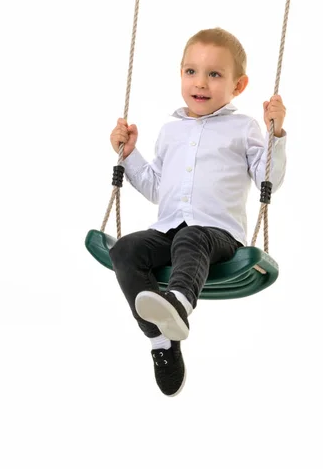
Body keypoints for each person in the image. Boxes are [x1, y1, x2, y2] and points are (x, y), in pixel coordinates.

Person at [109, 27, 287, 397]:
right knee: (125, 249)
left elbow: (268, 177)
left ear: (239, 86)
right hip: (169, 227)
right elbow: (158, 187)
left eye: (215, 74)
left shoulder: (245, 128)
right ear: (180, 74)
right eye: (191, 72)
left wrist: (276, 133)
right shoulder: (171, 131)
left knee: (193, 236)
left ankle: (179, 304)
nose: (200, 83)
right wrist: (129, 155)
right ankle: (160, 340)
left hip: (219, 236)